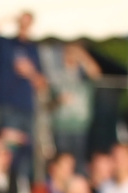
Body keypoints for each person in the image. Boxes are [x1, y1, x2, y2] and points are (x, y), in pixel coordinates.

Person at [0, 12, 47, 179]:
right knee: (8, 150)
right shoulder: (5, 44)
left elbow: (42, 84)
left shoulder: (33, 49)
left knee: (27, 152)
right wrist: (10, 18)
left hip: (26, 107)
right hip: (8, 106)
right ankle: (7, 185)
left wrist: (30, 72)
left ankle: (22, 186)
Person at [40, 42, 101, 171]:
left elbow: (97, 73)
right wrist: (58, 100)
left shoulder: (84, 75)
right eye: (68, 52)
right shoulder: (56, 76)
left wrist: (82, 56)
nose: (70, 55)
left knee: (79, 166)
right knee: (62, 165)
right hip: (61, 128)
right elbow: (47, 106)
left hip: (81, 128)